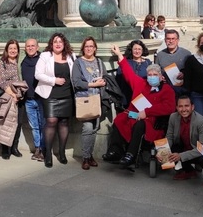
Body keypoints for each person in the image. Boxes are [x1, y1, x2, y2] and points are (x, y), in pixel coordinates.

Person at [103, 44, 175, 170]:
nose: (151, 77)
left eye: (154, 74)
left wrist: (147, 112)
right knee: (119, 119)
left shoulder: (166, 89)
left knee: (140, 124)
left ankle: (131, 154)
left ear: (160, 76)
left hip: (153, 122)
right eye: (149, 74)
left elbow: (169, 107)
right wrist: (119, 55)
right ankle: (115, 151)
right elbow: (128, 72)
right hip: (133, 116)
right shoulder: (140, 84)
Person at [35, 33, 76, 168]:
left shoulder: (71, 56)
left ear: (64, 44)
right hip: (50, 94)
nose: (58, 44)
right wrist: (54, 80)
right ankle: (47, 154)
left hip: (67, 94)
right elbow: (38, 74)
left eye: (60, 42)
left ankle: (62, 152)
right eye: (55, 42)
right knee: (51, 121)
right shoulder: (45, 56)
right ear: (51, 44)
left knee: (64, 122)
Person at [72, 37, 108, 170]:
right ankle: (86, 158)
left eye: (91, 46)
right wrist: (93, 84)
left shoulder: (99, 62)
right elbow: (76, 82)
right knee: (87, 128)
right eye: (86, 46)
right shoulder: (78, 62)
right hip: (85, 99)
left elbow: (105, 77)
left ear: (95, 48)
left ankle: (90, 155)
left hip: (98, 100)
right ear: (83, 48)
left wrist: (103, 81)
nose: (89, 48)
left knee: (94, 129)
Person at [164, 95, 203, 183]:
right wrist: (162, 151)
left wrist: (181, 156)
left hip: (200, 151)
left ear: (192, 107)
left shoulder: (201, 121)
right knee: (172, 149)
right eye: (180, 106)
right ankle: (189, 171)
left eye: (186, 106)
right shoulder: (173, 117)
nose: (183, 109)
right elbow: (169, 137)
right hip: (185, 147)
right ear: (176, 107)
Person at [0, 39, 23, 159]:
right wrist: (13, 95)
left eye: (15, 48)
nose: (13, 51)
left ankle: (14, 147)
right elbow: (1, 82)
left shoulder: (19, 62)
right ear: (6, 50)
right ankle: (5, 149)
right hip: (8, 97)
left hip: (20, 97)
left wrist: (19, 95)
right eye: (10, 48)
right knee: (5, 123)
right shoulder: (1, 62)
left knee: (18, 123)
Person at [21, 38, 45, 161]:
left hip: (41, 99)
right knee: (34, 126)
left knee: (43, 125)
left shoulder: (43, 60)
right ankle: (38, 148)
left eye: (32, 45)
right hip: (29, 100)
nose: (30, 48)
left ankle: (44, 149)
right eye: (28, 46)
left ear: (37, 47)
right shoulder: (23, 62)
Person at [116, 40, 152, 108]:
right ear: (131, 50)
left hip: (142, 96)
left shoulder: (147, 63)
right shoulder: (126, 63)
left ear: (142, 50)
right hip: (128, 95)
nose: (137, 51)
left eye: (139, 49)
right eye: (135, 49)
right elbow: (119, 79)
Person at [155, 29, 192, 96]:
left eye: (173, 39)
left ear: (177, 40)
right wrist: (160, 77)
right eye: (168, 39)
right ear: (165, 40)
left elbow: (192, 72)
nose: (171, 41)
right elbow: (156, 72)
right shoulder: (160, 55)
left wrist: (184, 74)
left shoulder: (187, 54)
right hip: (166, 91)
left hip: (183, 91)